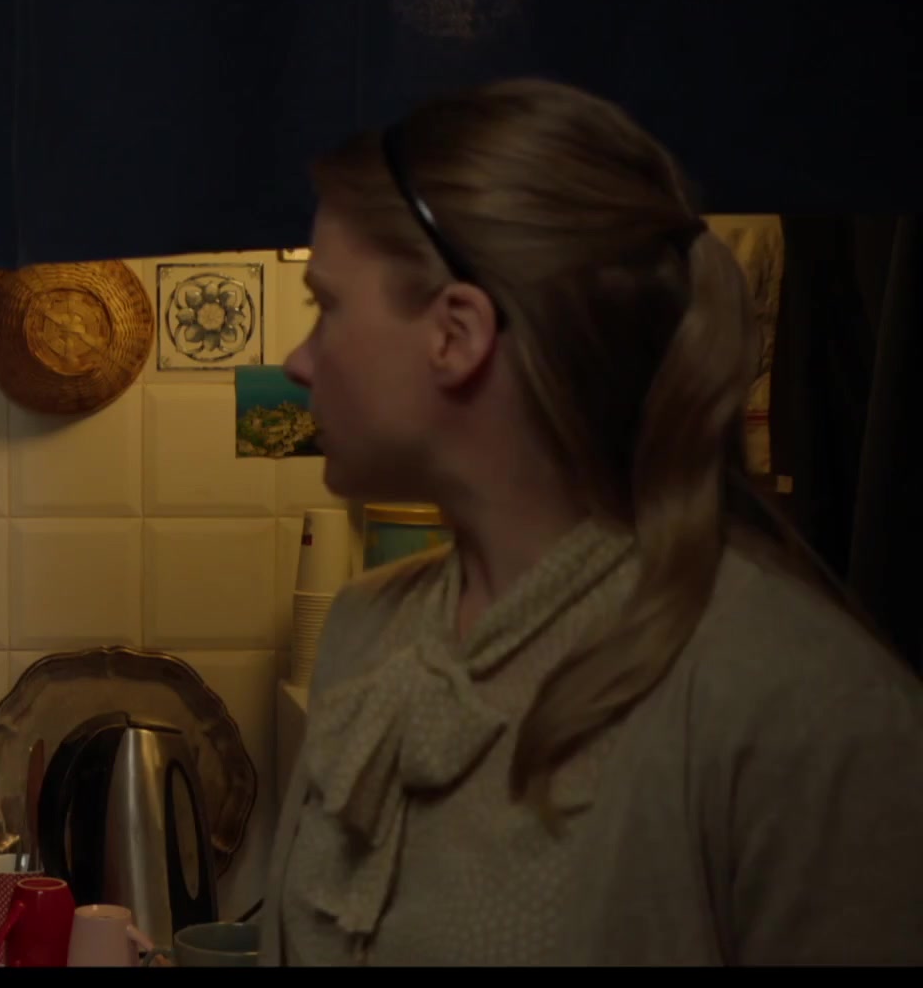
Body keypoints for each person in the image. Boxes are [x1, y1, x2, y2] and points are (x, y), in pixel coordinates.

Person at [260, 78, 923, 966]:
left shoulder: (800, 705)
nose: (298, 361)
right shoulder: (364, 633)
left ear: (456, 333)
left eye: (327, 306)